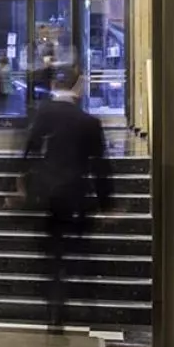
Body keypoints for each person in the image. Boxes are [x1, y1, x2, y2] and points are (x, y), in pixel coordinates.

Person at [21, 70, 113, 332]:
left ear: (54, 86)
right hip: (77, 196)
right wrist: (107, 203)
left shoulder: (43, 114)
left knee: (54, 253)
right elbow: (100, 167)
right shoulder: (89, 122)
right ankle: (80, 301)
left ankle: (55, 307)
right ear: (79, 87)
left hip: (49, 196)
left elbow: (28, 152)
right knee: (78, 249)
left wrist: (17, 187)